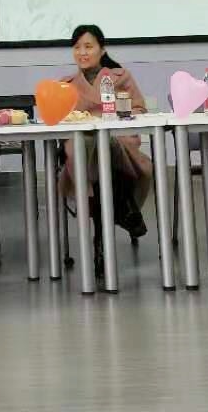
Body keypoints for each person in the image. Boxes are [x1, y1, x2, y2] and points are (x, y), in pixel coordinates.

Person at [59, 25, 151, 276]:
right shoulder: (65, 85)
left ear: (102, 50)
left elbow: (140, 110)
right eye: (77, 47)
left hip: (119, 144)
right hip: (82, 151)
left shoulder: (121, 77)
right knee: (96, 153)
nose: (82, 52)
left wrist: (114, 116)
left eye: (88, 46)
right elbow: (57, 119)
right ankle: (125, 210)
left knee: (105, 146)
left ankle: (101, 245)